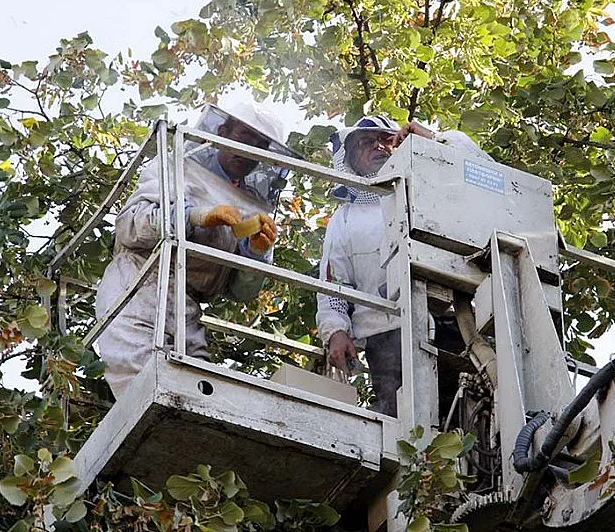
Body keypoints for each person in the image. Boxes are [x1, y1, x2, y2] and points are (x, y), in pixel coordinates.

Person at [95, 102, 294, 399]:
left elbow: (240, 291)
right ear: (222, 132)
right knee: (142, 387)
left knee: (196, 394)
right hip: (138, 285)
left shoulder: (252, 202)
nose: (249, 150)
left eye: (260, 145)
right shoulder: (176, 166)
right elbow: (129, 226)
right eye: (244, 137)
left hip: (188, 306)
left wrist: (256, 254)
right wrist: (194, 217)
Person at [316, 114, 490, 416]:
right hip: (387, 334)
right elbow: (334, 287)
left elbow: (482, 172)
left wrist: (433, 142)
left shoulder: (429, 188)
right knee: (403, 417)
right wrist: (336, 331)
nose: (378, 147)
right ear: (351, 160)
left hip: (455, 322)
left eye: (385, 139)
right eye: (366, 143)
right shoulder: (344, 220)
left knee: (476, 411)